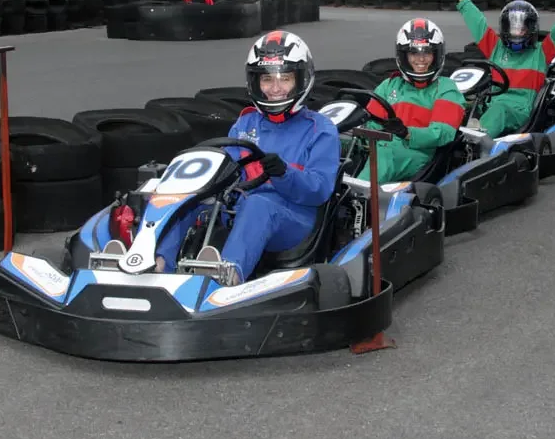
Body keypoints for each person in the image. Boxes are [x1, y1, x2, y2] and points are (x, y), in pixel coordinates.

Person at [153, 30, 341, 285]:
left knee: (260, 205)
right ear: (255, 82)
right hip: (239, 207)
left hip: (294, 218)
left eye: (284, 78)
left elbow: (319, 190)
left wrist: (284, 174)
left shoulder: (320, 129)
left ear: (301, 79)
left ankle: (225, 278)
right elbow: (226, 169)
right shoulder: (245, 123)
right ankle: (157, 265)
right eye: (267, 79)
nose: (275, 88)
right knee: (187, 198)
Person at [453, 0, 555, 137]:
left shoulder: (541, 53)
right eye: (513, 28)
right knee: (458, 104)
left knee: (499, 111)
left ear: (530, 30)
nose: (516, 33)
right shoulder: (496, 48)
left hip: (519, 111)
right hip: (491, 105)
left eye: (521, 29)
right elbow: (477, 22)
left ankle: (474, 141)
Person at [356, 18, 466, 184]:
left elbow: (443, 133)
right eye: (414, 53)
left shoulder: (446, 88)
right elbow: (371, 122)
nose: (420, 60)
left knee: (387, 153)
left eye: (427, 53)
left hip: (419, 154)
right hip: (383, 146)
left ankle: (357, 197)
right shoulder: (390, 85)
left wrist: (407, 132)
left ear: (437, 55)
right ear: (404, 56)